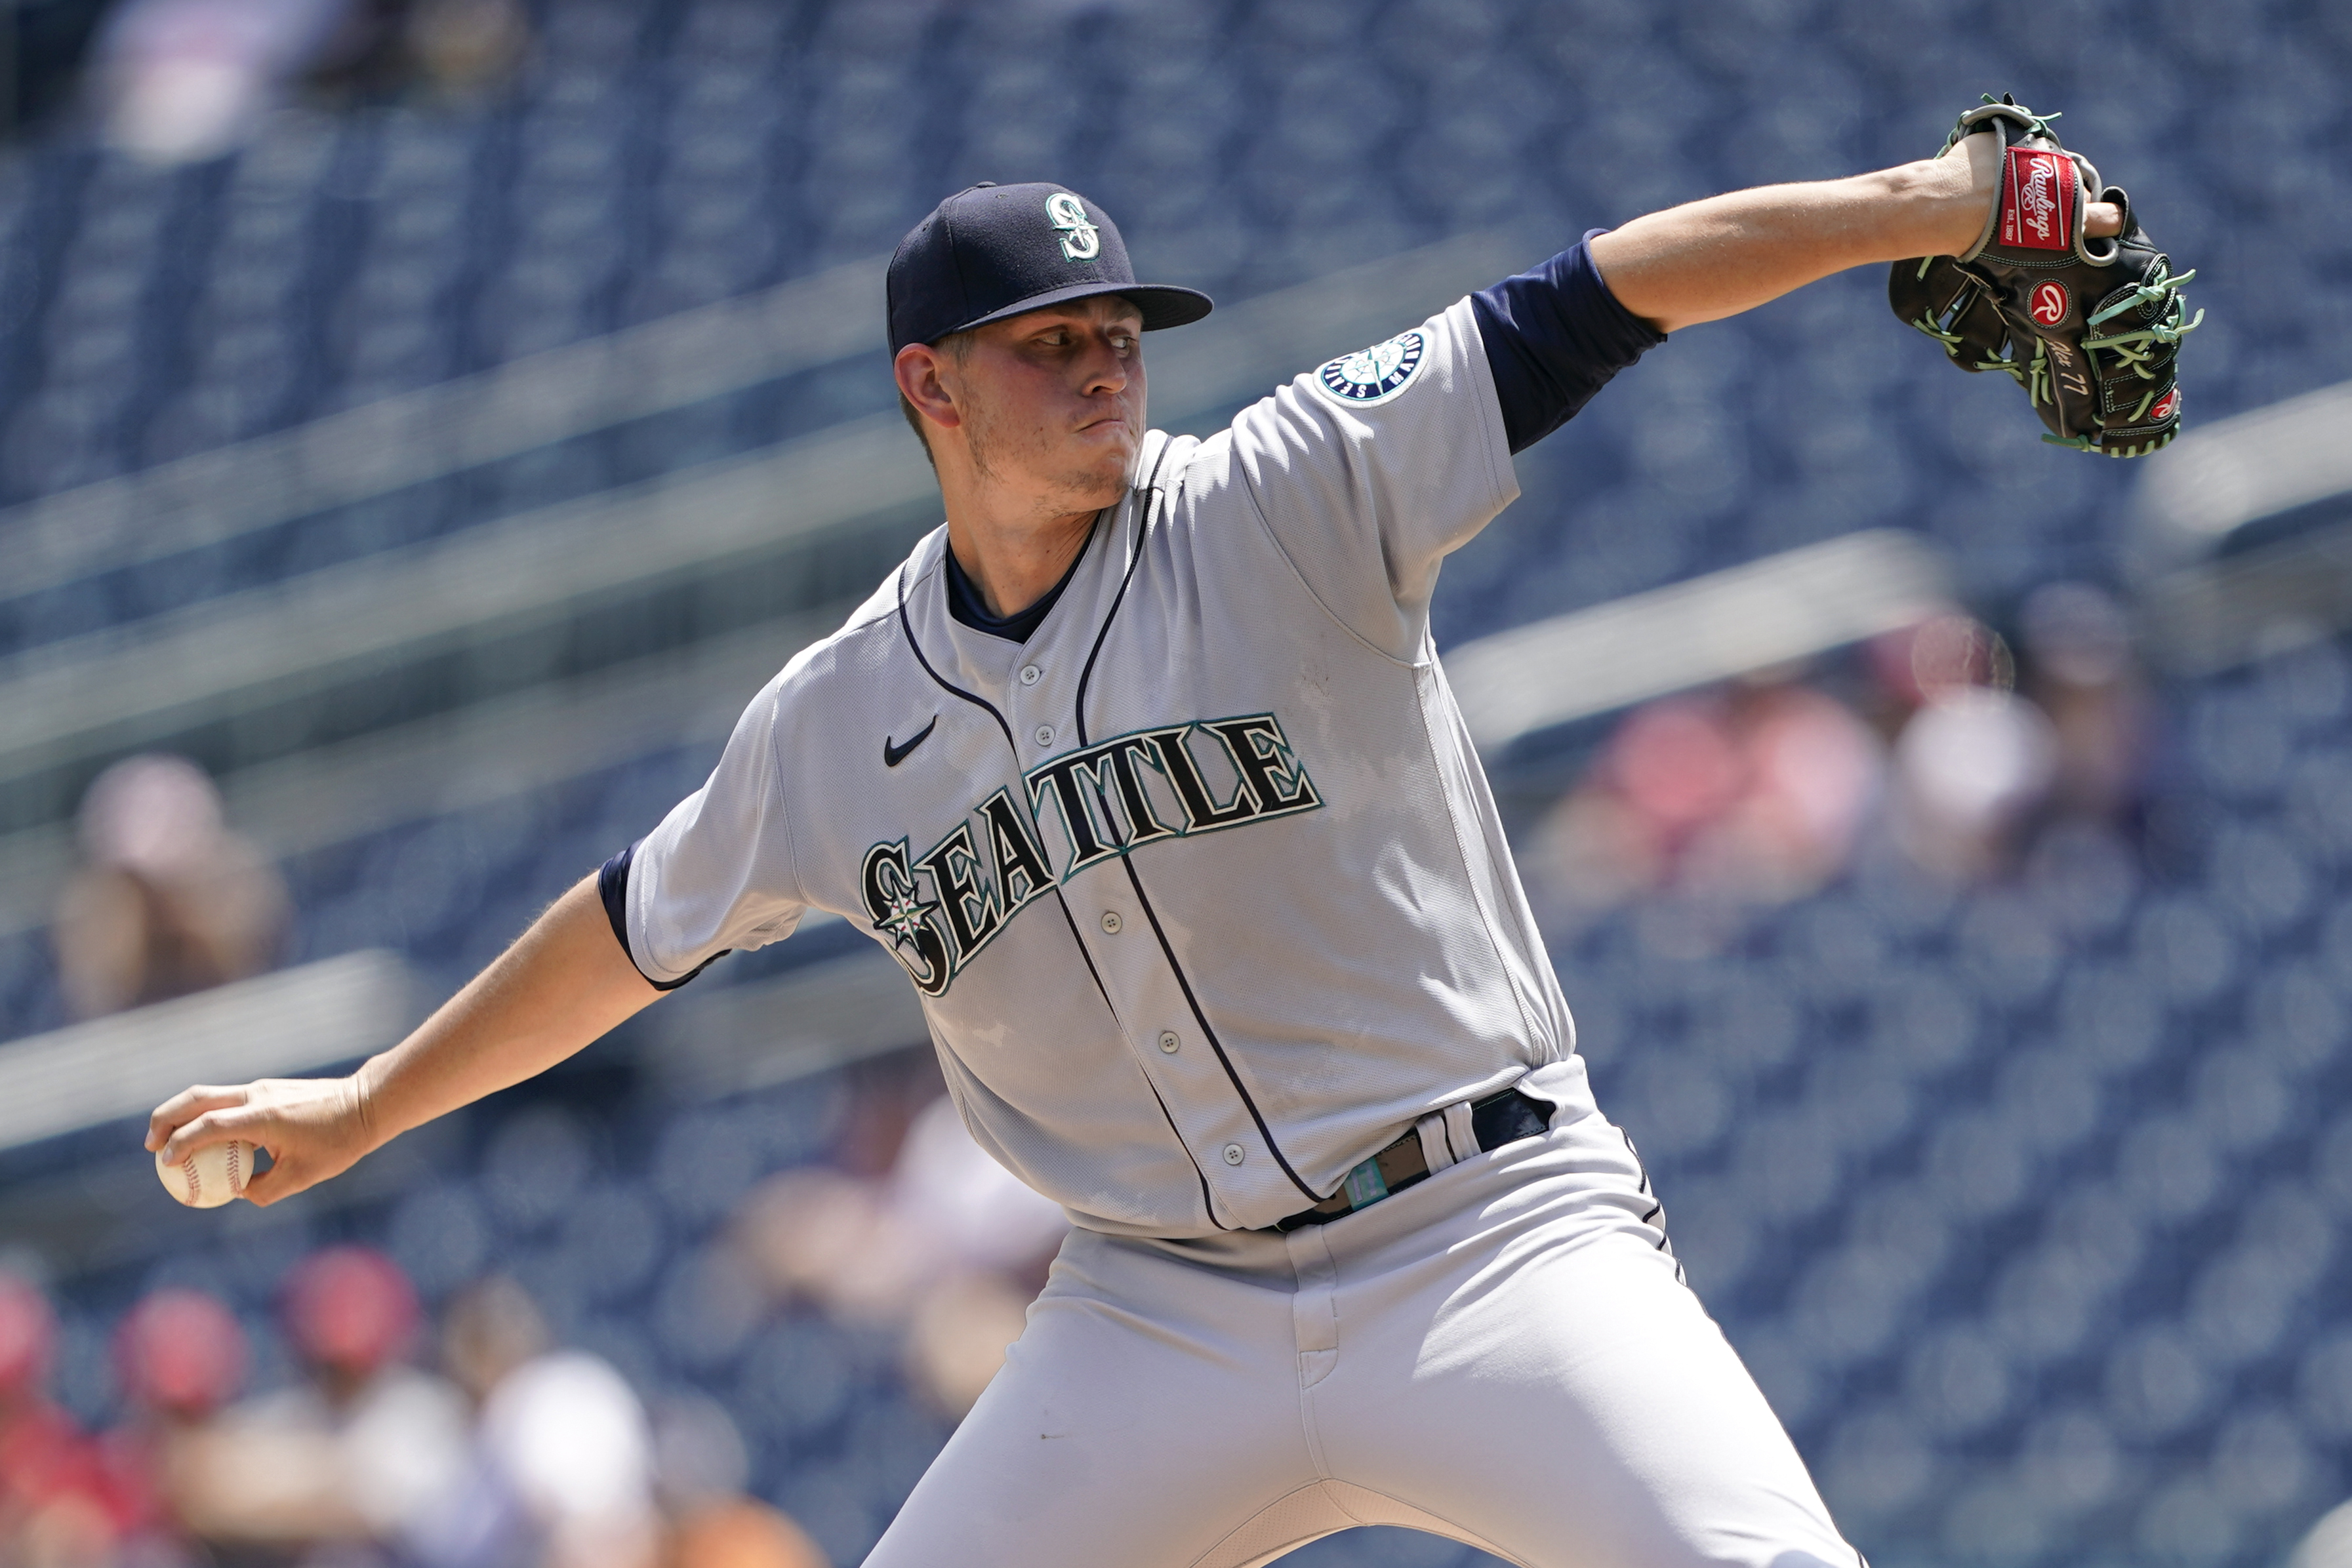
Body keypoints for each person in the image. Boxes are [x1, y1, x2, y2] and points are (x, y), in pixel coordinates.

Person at [150, 131, 2128, 1566]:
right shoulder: (841, 717)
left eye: (1118, 327)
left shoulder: (1285, 490)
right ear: (930, 387)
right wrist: (369, 1106)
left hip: (1485, 1240)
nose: (1103, 359)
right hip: (1151, 1313)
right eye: (1045, 340)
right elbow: (632, 928)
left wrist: (1926, 206)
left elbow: (1592, 293)